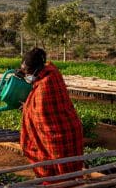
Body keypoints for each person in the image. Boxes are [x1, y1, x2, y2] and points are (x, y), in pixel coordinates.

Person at [18, 48, 83, 180]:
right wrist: (23, 74)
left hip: (59, 135)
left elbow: (39, 114)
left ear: (37, 69)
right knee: (66, 172)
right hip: (70, 127)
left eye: (28, 72)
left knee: (59, 172)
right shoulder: (51, 72)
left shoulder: (46, 84)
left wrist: (26, 107)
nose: (26, 75)